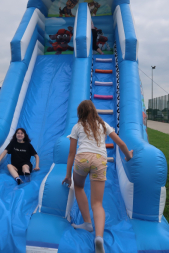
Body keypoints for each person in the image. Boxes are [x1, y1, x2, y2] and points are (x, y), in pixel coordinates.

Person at [62, 100, 133, 253]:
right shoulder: (103, 125)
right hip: (100, 160)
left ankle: (88, 223)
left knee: (79, 186)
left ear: (80, 113)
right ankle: (99, 238)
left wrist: (68, 175)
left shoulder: (77, 126)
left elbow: (71, 153)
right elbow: (120, 144)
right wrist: (128, 156)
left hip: (82, 159)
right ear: (94, 111)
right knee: (97, 203)